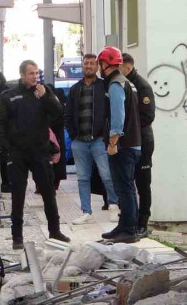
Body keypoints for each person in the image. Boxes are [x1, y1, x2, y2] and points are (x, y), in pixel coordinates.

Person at [0, 60, 70, 250]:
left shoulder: (44, 92)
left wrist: (46, 97)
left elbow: (59, 113)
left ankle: (55, 231)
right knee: (18, 195)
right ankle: (17, 236)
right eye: (31, 74)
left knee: (48, 193)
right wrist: (7, 149)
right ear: (22, 75)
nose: (35, 77)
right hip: (18, 153)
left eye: (37, 73)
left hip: (40, 152)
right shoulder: (9, 96)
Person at [65, 54, 119, 225]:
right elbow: (67, 114)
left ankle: (113, 205)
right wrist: (73, 136)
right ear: (82, 66)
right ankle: (86, 211)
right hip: (79, 141)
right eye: (86, 63)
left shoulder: (104, 87)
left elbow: (111, 112)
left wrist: (105, 134)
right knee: (82, 178)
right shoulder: (75, 89)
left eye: (92, 63)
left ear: (97, 67)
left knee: (107, 175)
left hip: (98, 140)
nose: (88, 66)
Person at [98, 47, 143, 244]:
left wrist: (113, 142)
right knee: (128, 188)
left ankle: (129, 230)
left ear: (105, 64)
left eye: (100, 63)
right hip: (133, 143)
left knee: (124, 189)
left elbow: (118, 116)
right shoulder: (128, 83)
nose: (100, 68)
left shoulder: (116, 85)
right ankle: (124, 226)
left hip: (123, 146)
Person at [121, 53, 156, 236]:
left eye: (120, 69)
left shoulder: (142, 86)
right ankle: (130, 219)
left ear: (127, 68)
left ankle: (143, 222)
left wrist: (129, 126)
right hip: (129, 141)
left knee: (143, 183)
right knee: (127, 182)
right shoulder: (124, 85)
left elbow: (148, 116)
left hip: (143, 141)